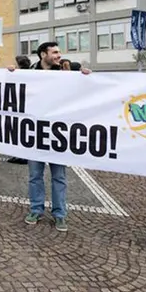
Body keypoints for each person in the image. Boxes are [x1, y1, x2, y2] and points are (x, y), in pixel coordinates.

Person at [7, 42, 91, 231]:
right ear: (43, 54)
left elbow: (82, 88)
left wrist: (86, 77)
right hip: (35, 132)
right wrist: (10, 72)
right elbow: (12, 86)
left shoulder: (65, 72)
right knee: (35, 175)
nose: (58, 55)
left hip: (57, 133)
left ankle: (59, 214)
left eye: (59, 52)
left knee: (58, 176)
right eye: (54, 52)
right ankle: (36, 210)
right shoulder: (28, 73)